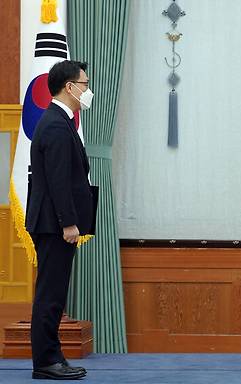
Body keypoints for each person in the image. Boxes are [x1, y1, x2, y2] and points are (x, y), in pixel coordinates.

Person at [26, 60, 96, 380]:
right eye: (84, 84)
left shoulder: (62, 120)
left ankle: (52, 356)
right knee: (50, 294)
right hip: (54, 224)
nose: (88, 90)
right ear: (70, 87)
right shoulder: (55, 124)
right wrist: (68, 222)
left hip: (55, 222)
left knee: (54, 292)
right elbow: (57, 180)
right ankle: (45, 361)